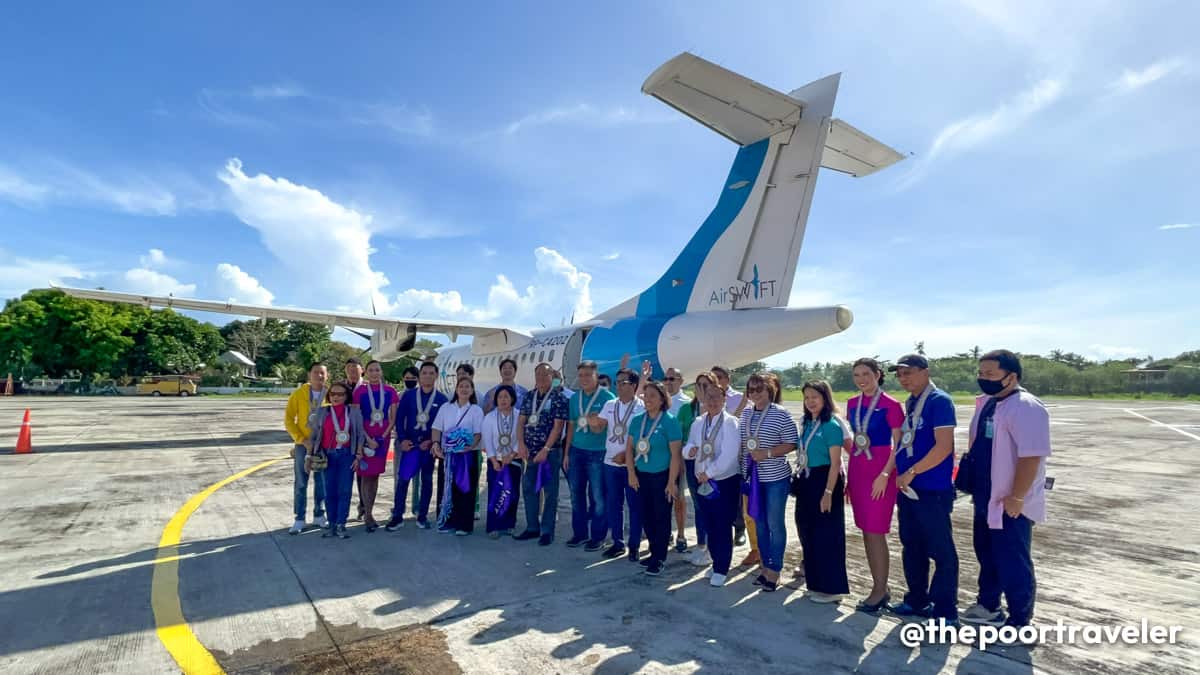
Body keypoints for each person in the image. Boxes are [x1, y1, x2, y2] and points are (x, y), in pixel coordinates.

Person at [960, 350, 1051, 629]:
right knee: (987, 555)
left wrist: (1017, 497)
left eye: (990, 374)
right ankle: (988, 606)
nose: (983, 378)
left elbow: (1031, 456)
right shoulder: (990, 403)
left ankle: (1021, 619)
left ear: (1011, 376)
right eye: (981, 373)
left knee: (1013, 561)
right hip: (986, 497)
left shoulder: (1026, 407)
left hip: (1011, 502)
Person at [889, 354, 959, 622]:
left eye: (908, 373)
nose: (903, 378)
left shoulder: (939, 402)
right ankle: (916, 600)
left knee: (941, 552)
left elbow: (943, 447)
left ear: (925, 372)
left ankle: (945, 611)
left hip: (931, 489)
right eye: (900, 374)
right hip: (908, 489)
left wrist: (912, 471)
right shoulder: (912, 402)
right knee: (912, 546)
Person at [845, 358, 904, 613]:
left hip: (881, 471)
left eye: (866, 374)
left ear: (878, 375)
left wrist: (885, 474)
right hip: (859, 469)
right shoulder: (851, 403)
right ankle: (879, 586)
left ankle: (880, 589)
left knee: (876, 531)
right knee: (865, 530)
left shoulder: (891, 405)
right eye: (857, 374)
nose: (861, 379)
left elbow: (899, 445)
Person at [793, 380, 851, 603]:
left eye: (814, 397)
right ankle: (816, 583)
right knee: (807, 530)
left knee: (827, 534)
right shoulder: (807, 422)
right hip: (807, 479)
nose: (810, 402)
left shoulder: (831, 424)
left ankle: (832, 588)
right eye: (806, 398)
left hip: (826, 480)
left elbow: (836, 463)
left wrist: (828, 492)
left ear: (825, 398)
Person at [740, 372, 798, 591]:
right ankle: (765, 566)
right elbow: (744, 445)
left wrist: (768, 453)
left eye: (760, 389)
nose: (755, 394)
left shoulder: (780, 414)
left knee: (775, 524)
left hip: (775, 478)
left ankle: (775, 569)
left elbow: (792, 443)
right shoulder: (746, 414)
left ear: (770, 390)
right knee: (760, 523)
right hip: (753, 478)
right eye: (751, 390)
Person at [683, 378, 741, 586]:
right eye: (709, 397)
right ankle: (715, 562)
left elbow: (730, 454)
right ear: (703, 399)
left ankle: (722, 568)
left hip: (723, 481)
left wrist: (709, 472)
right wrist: (688, 452)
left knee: (722, 524)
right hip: (702, 480)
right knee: (709, 523)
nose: (713, 401)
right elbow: (689, 444)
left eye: (717, 397)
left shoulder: (731, 423)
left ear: (724, 399)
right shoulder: (699, 422)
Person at [625, 380, 683, 577]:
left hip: (662, 477)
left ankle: (659, 557)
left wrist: (671, 482)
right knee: (646, 517)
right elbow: (629, 449)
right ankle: (652, 551)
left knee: (661, 518)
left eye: (652, 396)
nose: (648, 399)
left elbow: (675, 455)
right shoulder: (637, 420)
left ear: (662, 399)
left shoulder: (669, 421)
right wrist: (631, 473)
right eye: (646, 395)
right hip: (641, 476)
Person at [387, 361, 448, 530]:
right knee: (403, 480)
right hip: (410, 446)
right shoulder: (409, 395)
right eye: (424, 373)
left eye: (431, 373)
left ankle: (422, 516)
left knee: (427, 481)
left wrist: (432, 442)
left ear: (436, 376)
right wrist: (402, 440)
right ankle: (397, 516)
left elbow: (442, 425)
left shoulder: (442, 400)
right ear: (419, 376)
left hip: (427, 449)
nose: (427, 376)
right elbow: (400, 419)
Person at [514, 362, 569, 546]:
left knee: (550, 491)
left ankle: (547, 531)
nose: (541, 379)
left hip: (550, 453)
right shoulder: (529, 396)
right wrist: (521, 444)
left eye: (545, 375)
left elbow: (558, 426)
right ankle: (532, 527)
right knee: (529, 489)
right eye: (538, 375)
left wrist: (545, 449)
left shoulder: (559, 398)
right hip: (529, 452)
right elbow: (521, 422)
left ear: (552, 377)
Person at [564, 361, 615, 551]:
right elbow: (570, 425)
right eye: (581, 375)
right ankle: (579, 533)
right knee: (576, 494)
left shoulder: (608, 398)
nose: (584, 379)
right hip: (577, 451)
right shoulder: (574, 398)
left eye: (588, 375)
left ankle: (598, 536)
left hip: (598, 453)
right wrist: (567, 452)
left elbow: (611, 427)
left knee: (598, 496)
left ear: (596, 376)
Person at [307, 382, 367, 539]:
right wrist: (310, 455)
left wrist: (358, 455)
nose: (336, 397)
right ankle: (332, 524)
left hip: (347, 455)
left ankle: (341, 524)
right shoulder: (322, 412)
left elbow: (360, 434)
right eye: (333, 393)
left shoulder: (353, 412)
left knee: (345, 491)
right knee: (329, 491)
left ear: (346, 396)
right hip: (327, 456)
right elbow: (313, 435)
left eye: (340, 394)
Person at [598, 368, 645, 561]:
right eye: (617, 382)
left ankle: (634, 544)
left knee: (634, 506)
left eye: (622, 382)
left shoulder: (642, 407)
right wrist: (590, 420)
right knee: (613, 504)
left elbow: (644, 437)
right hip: (610, 463)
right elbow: (599, 424)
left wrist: (627, 456)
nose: (618, 386)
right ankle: (617, 542)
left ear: (633, 386)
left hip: (632, 465)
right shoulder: (610, 404)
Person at [432, 376, 485, 535]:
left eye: (467, 386)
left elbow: (478, 433)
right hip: (448, 456)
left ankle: (464, 525)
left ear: (472, 390)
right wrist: (436, 444)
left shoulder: (476, 410)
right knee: (447, 487)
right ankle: (447, 521)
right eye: (461, 386)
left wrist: (469, 447)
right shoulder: (446, 408)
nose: (464, 389)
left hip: (467, 455)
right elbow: (436, 428)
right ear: (456, 389)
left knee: (466, 489)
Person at [353, 360, 399, 533]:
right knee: (365, 476)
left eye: (377, 370)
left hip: (382, 439)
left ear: (381, 372)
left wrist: (383, 436)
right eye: (371, 370)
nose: (374, 373)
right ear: (366, 372)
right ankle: (368, 514)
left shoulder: (390, 391)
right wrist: (367, 438)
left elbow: (392, 417)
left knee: (375, 476)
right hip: (365, 438)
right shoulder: (360, 391)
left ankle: (369, 511)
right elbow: (357, 417)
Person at [284, 364, 329, 534]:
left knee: (321, 481)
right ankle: (299, 518)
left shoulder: (330, 394)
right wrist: (301, 440)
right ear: (309, 374)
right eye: (316, 372)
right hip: (303, 445)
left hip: (323, 445)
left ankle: (319, 515)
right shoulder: (298, 394)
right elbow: (289, 419)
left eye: (322, 373)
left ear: (327, 375)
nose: (319, 376)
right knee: (301, 482)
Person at [681, 372, 716, 567]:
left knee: (711, 506)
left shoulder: (717, 408)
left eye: (707, 385)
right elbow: (685, 439)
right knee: (698, 506)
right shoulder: (688, 409)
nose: (702, 389)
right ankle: (701, 545)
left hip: (713, 467)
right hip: (693, 463)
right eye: (699, 385)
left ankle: (712, 547)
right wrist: (688, 451)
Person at [482, 385, 524, 537]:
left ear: (512, 398)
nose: (503, 400)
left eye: (506, 396)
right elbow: (487, 440)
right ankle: (493, 525)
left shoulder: (519, 415)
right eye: (500, 397)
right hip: (496, 462)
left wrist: (512, 455)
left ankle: (509, 524)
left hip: (514, 460)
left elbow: (521, 438)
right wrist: (493, 460)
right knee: (495, 492)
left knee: (512, 493)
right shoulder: (490, 417)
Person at [664, 367, 695, 554]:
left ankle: (681, 534)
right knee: (661, 499)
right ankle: (665, 532)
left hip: (678, 459)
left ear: (681, 381)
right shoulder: (659, 400)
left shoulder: (687, 403)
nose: (668, 382)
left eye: (672, 379)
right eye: (666, 379)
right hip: (659, 459)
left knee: (679, 499)